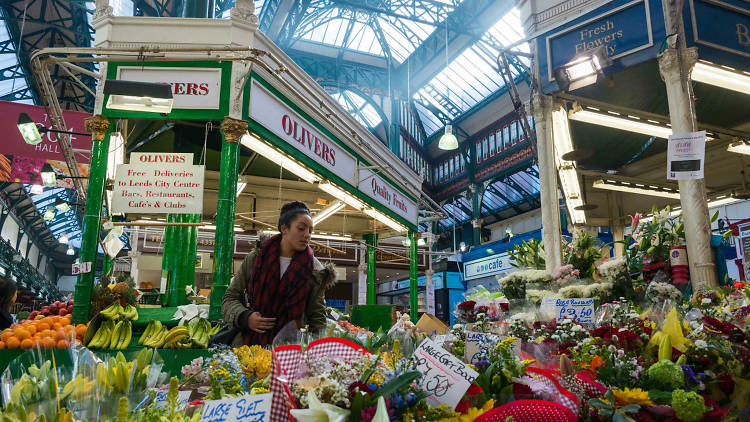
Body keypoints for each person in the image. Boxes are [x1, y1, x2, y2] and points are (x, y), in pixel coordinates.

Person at [222, 201, 337, 346]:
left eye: (310, 230)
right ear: (284, 228)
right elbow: (230, 298)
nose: (307, 235)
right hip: (249, 345)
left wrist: (316, 352)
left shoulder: (315, 270)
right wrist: (246, 317)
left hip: (289, 351)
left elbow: (317, 316)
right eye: (301, 228)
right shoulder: (257, 259)